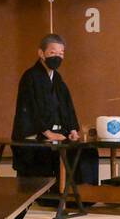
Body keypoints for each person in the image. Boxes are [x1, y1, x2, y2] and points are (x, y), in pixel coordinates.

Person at [11, 33, 98, 184]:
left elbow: (66, 105)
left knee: (86, 152)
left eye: (61, 53)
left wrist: (72, 130)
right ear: (41, 53)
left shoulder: (57, 78)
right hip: (35, 136)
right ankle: (55, 196)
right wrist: (47, 132)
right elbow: (30, 108)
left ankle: (81, 195)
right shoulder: (30, 77)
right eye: (52, 52)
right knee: (52, 153)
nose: (57, 57)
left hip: (56, 134)